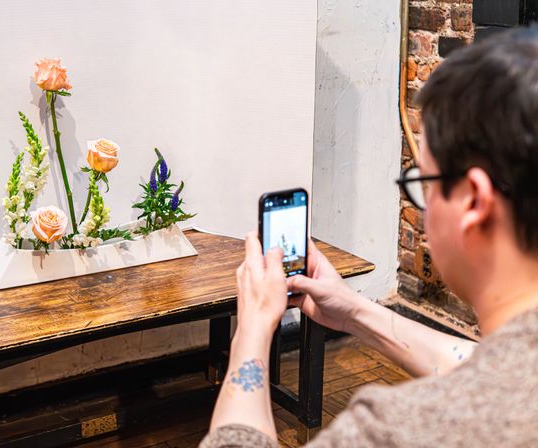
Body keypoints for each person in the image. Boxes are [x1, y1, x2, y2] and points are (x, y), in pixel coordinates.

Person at [201, 26, 538, 447]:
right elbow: (493, 368)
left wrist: (251, 329)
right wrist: (353, 312)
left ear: (473, 201)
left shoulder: (396, 430)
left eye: (425, 182)